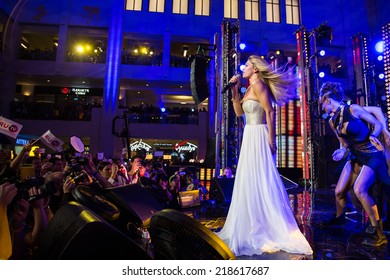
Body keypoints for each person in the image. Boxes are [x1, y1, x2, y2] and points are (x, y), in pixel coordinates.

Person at [217, 55, 313, 256]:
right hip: (249, 136)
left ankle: (266, 224)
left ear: (255, 69)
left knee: (261, 178)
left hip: (259, 134)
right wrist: (234, 92)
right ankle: (251, 221)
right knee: (248, 179)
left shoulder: (259, 84)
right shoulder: (249, 87)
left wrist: (272, 140)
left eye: (247, 65)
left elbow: (270, 112)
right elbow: (238, 113)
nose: (243, 68)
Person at [319, 81, 389, 246]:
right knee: (339, 192)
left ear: (328, 100)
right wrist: (341, 151)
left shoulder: (353, 109)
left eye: (322, 103)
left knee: (359, 189)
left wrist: (375, 134)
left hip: (372, 154)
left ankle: (378, 233)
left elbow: (377, 123)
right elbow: (344, 144)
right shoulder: (332, 121)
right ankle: (340, 218)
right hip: (355, 155)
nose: (322, 108)